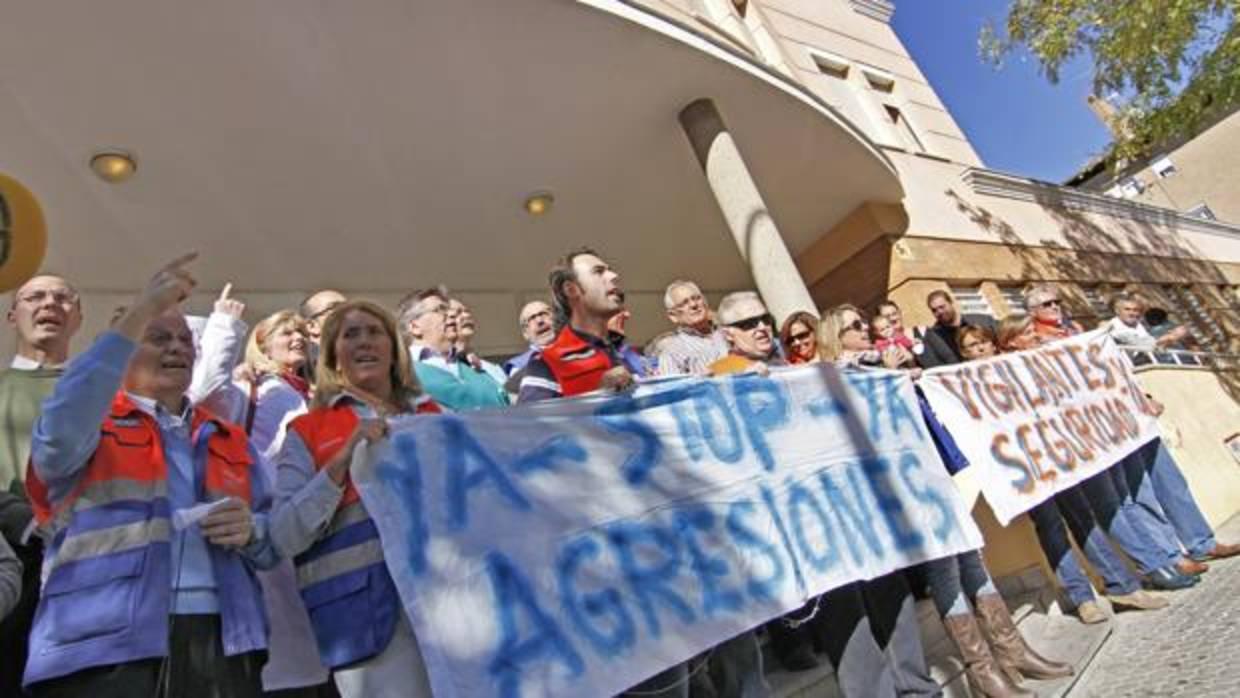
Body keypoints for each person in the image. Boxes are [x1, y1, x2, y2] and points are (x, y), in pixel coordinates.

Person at [24, 254, 279, 697]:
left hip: (225, 642)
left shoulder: (228, 437)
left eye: (185, 340)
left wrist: (252, 529)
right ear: (121, 351)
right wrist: (141, 309)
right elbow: (59, 435)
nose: (177, 348)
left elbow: (275, 535)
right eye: (157, 337)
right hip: (100, 644)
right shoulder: (90, 424)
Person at [271, 300, 441, 698]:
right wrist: (341, 462)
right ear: (333, 356)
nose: (364, 341)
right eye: (350, 335)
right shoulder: (307, 431)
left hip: (451, 610)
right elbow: (282, 536)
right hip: (366, 621)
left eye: (374, 332)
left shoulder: (438, 418)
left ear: (395, 348)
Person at [991, 318, 1175, 617]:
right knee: (1051, 527)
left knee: (1083, 518)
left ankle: (1123, 589)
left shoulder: (1046, 360)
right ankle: (1082, 599)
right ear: (1010, 341)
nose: (1034, 335)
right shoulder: (992, 373)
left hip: (1063, 456)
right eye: (1025, 333)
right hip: (1031, 464)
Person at [215, 310, 334, 697]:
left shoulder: (312, 390)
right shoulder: (259, 389)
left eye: (301, 331)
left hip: (317, 512)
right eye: (286, 332)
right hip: (275, 517)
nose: (297, 337)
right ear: (262, 344)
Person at [1, 274, 82, 695]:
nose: (49, 303)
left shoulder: (103, 395)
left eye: (62, 297)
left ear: (78, 316)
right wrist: (25, 521)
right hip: (14, 561)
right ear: (13, 316)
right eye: (35, 296)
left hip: (91, 567)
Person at [398, 288, 507, 411]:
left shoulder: (477, 368)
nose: (451, 314)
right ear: (415, 327)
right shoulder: (400, 372)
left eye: (448, 309)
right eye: (439, 310)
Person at [654, 279, 730, 377]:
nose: (694, 305)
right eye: (684, 303)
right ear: (673, 316)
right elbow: (671, 390)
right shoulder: (672, 352)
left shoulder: (728, 332)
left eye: (697, 298)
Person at [917, 290, 996, 368]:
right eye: (934, 310)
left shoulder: (983, 320)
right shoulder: (934, 336)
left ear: (951, 302)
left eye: (942, 307)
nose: (939, 312)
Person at [818, 304, 912, 369]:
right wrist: (891, 370)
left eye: (863, 321)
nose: (866, 327)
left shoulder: (876, 356)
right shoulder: (844, 371)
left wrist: (910, 363)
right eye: (857, 325)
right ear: (838, 336)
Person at [449, 297, 508, 384]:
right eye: (458, 313)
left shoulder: (493, 369)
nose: (467, 315)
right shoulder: (440, 369)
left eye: (467, 311)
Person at [502, 300, 556, 376]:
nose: (540, 321)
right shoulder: (518, 367)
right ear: (525, 333)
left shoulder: (575, 349)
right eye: (532, 318)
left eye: (543, 314)